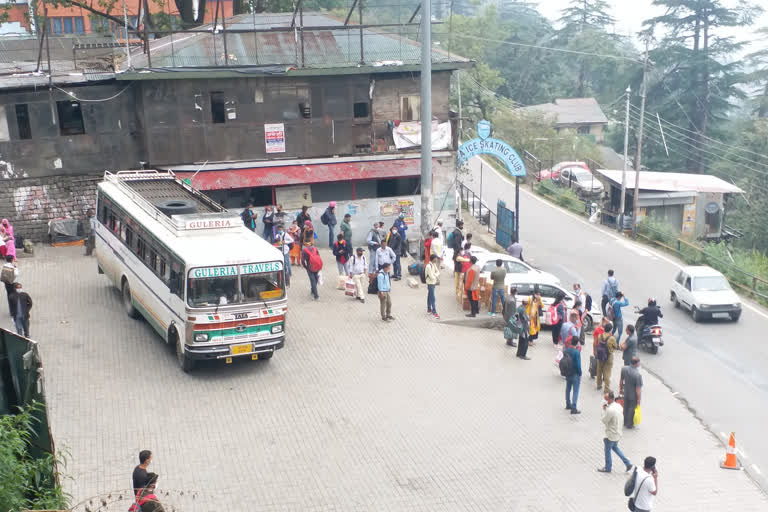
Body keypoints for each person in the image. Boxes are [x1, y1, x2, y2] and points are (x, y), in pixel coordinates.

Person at [597, 391, 632, 473]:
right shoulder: (618, 406)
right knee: (615, 448)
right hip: (618, 432)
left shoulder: (610, 410)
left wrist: (603, 410)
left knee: (607, 450)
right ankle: (627, 463)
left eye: (605, 399)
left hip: (611, 434)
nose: (604, 400)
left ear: (609, 399)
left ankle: (608, 467)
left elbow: (604, 420)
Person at [620, 356, 644, 429]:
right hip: (633, 396)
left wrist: (621, 389)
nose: (639, 364)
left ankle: (624, 421)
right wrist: (638, 400)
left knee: (625, 407)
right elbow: (638, 389)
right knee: (631, 409)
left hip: (626, 392)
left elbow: (621, 380)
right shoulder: (638, 375)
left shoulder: (624, 369)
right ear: (636, 364)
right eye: (639, 363)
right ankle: (629, 424)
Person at [595, 322, 619, 393]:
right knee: (607, 373)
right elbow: (616, 346)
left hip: (600, 356)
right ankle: (606, 389)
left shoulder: (600, 336)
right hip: (608, 357)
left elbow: (597, 343)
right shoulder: (612, 338)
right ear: (611, 330)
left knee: (599, 371)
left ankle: (598, 385)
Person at [565, 336, 582, 414]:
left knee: (568, 388)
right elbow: (578, 365)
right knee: (575, 390)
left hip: (568, 372)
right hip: (575, 374)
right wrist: (580, 373)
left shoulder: (567, 350)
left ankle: (568, 404)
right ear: (577, 343)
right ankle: (574, 407)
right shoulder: (576, 352)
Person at [449, 220, 465, 292]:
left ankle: (456, 272)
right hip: (457, 251)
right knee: (457, 262)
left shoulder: (455, 231)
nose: (462, 226)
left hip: (455, 250)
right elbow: (457, 242)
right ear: (459, 225)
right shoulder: (458, 233)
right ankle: (456, 273)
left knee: (456, 262)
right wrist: (459, 250)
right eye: (462, 225)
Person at [425, 254, 440, 319]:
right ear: (433, 259)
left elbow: (438, 272)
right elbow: (431, 277)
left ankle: (429, 309)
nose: (436, 259)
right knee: (433, 298)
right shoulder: (428, 266)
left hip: (433, 283)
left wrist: (435, 275)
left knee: (429, 296)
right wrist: (435, 275)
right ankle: (434, 311)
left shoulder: (433, 264)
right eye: (435, 258)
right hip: (430, 283)